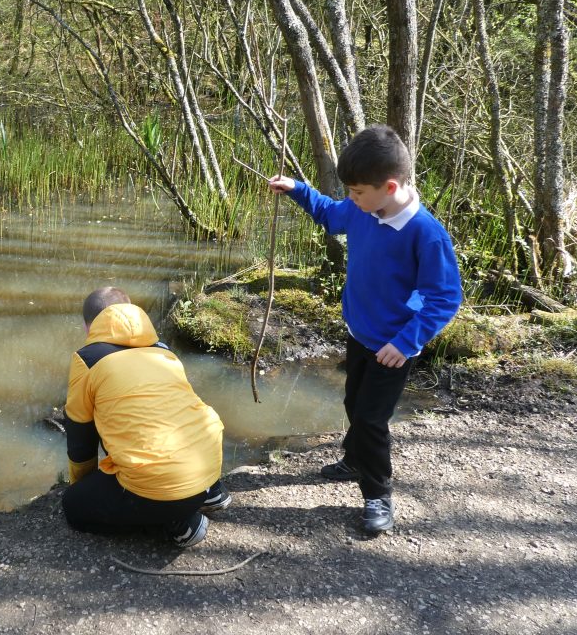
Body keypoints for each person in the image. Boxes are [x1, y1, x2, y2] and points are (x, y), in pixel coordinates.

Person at [268, 126, 462, 533]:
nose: (351, 200)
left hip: (394, 346)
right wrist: (297, 189)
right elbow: (328, 213)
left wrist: (407, 341)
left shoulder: (426, 234)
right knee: (353, 404)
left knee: (372, 420)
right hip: (359, 333)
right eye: (351, 193)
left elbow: (443, 298)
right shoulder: (361, 210)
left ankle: (377, 493)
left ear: (389, 186)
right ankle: (354, 459)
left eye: (357, 192)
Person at [61, 286, 230, 548]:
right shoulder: (163, 351)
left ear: (88, 327)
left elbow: (80, 437)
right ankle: (210, 491)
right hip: (208, 463)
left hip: (165, 487)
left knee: (73, 508)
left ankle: (179, 520)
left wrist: (83, 488)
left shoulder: (88, 360)